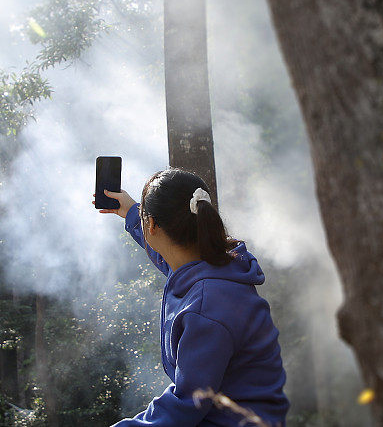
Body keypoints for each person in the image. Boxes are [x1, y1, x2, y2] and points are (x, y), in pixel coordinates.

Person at [94, 168, 290, 426]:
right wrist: (132, 211)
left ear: (152, 224)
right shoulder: (217, 267)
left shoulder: (206, 307)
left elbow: (186, 404)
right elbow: (168, 257)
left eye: (144, 218)